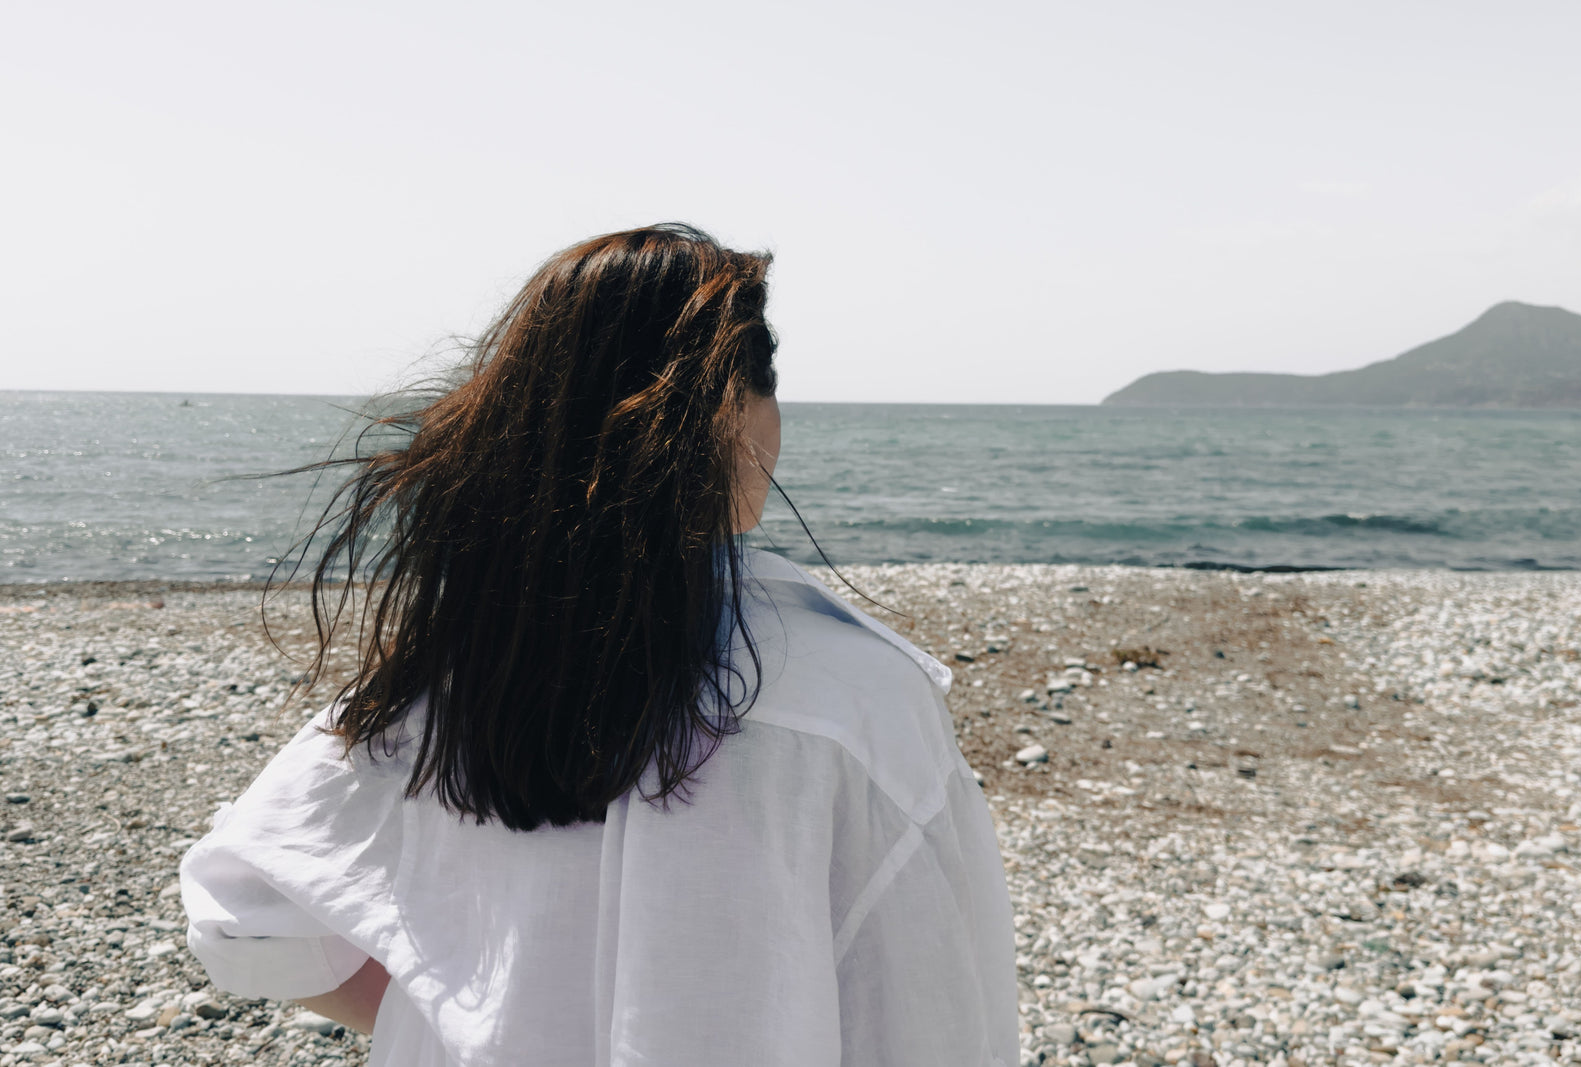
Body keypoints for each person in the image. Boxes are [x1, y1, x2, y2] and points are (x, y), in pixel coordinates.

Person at [178, 224, 1020, 1066]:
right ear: (731, 410)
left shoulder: (461, 670)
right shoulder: (856, 701)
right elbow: (932, 1018)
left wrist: (456, 1011)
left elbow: (244, 914)